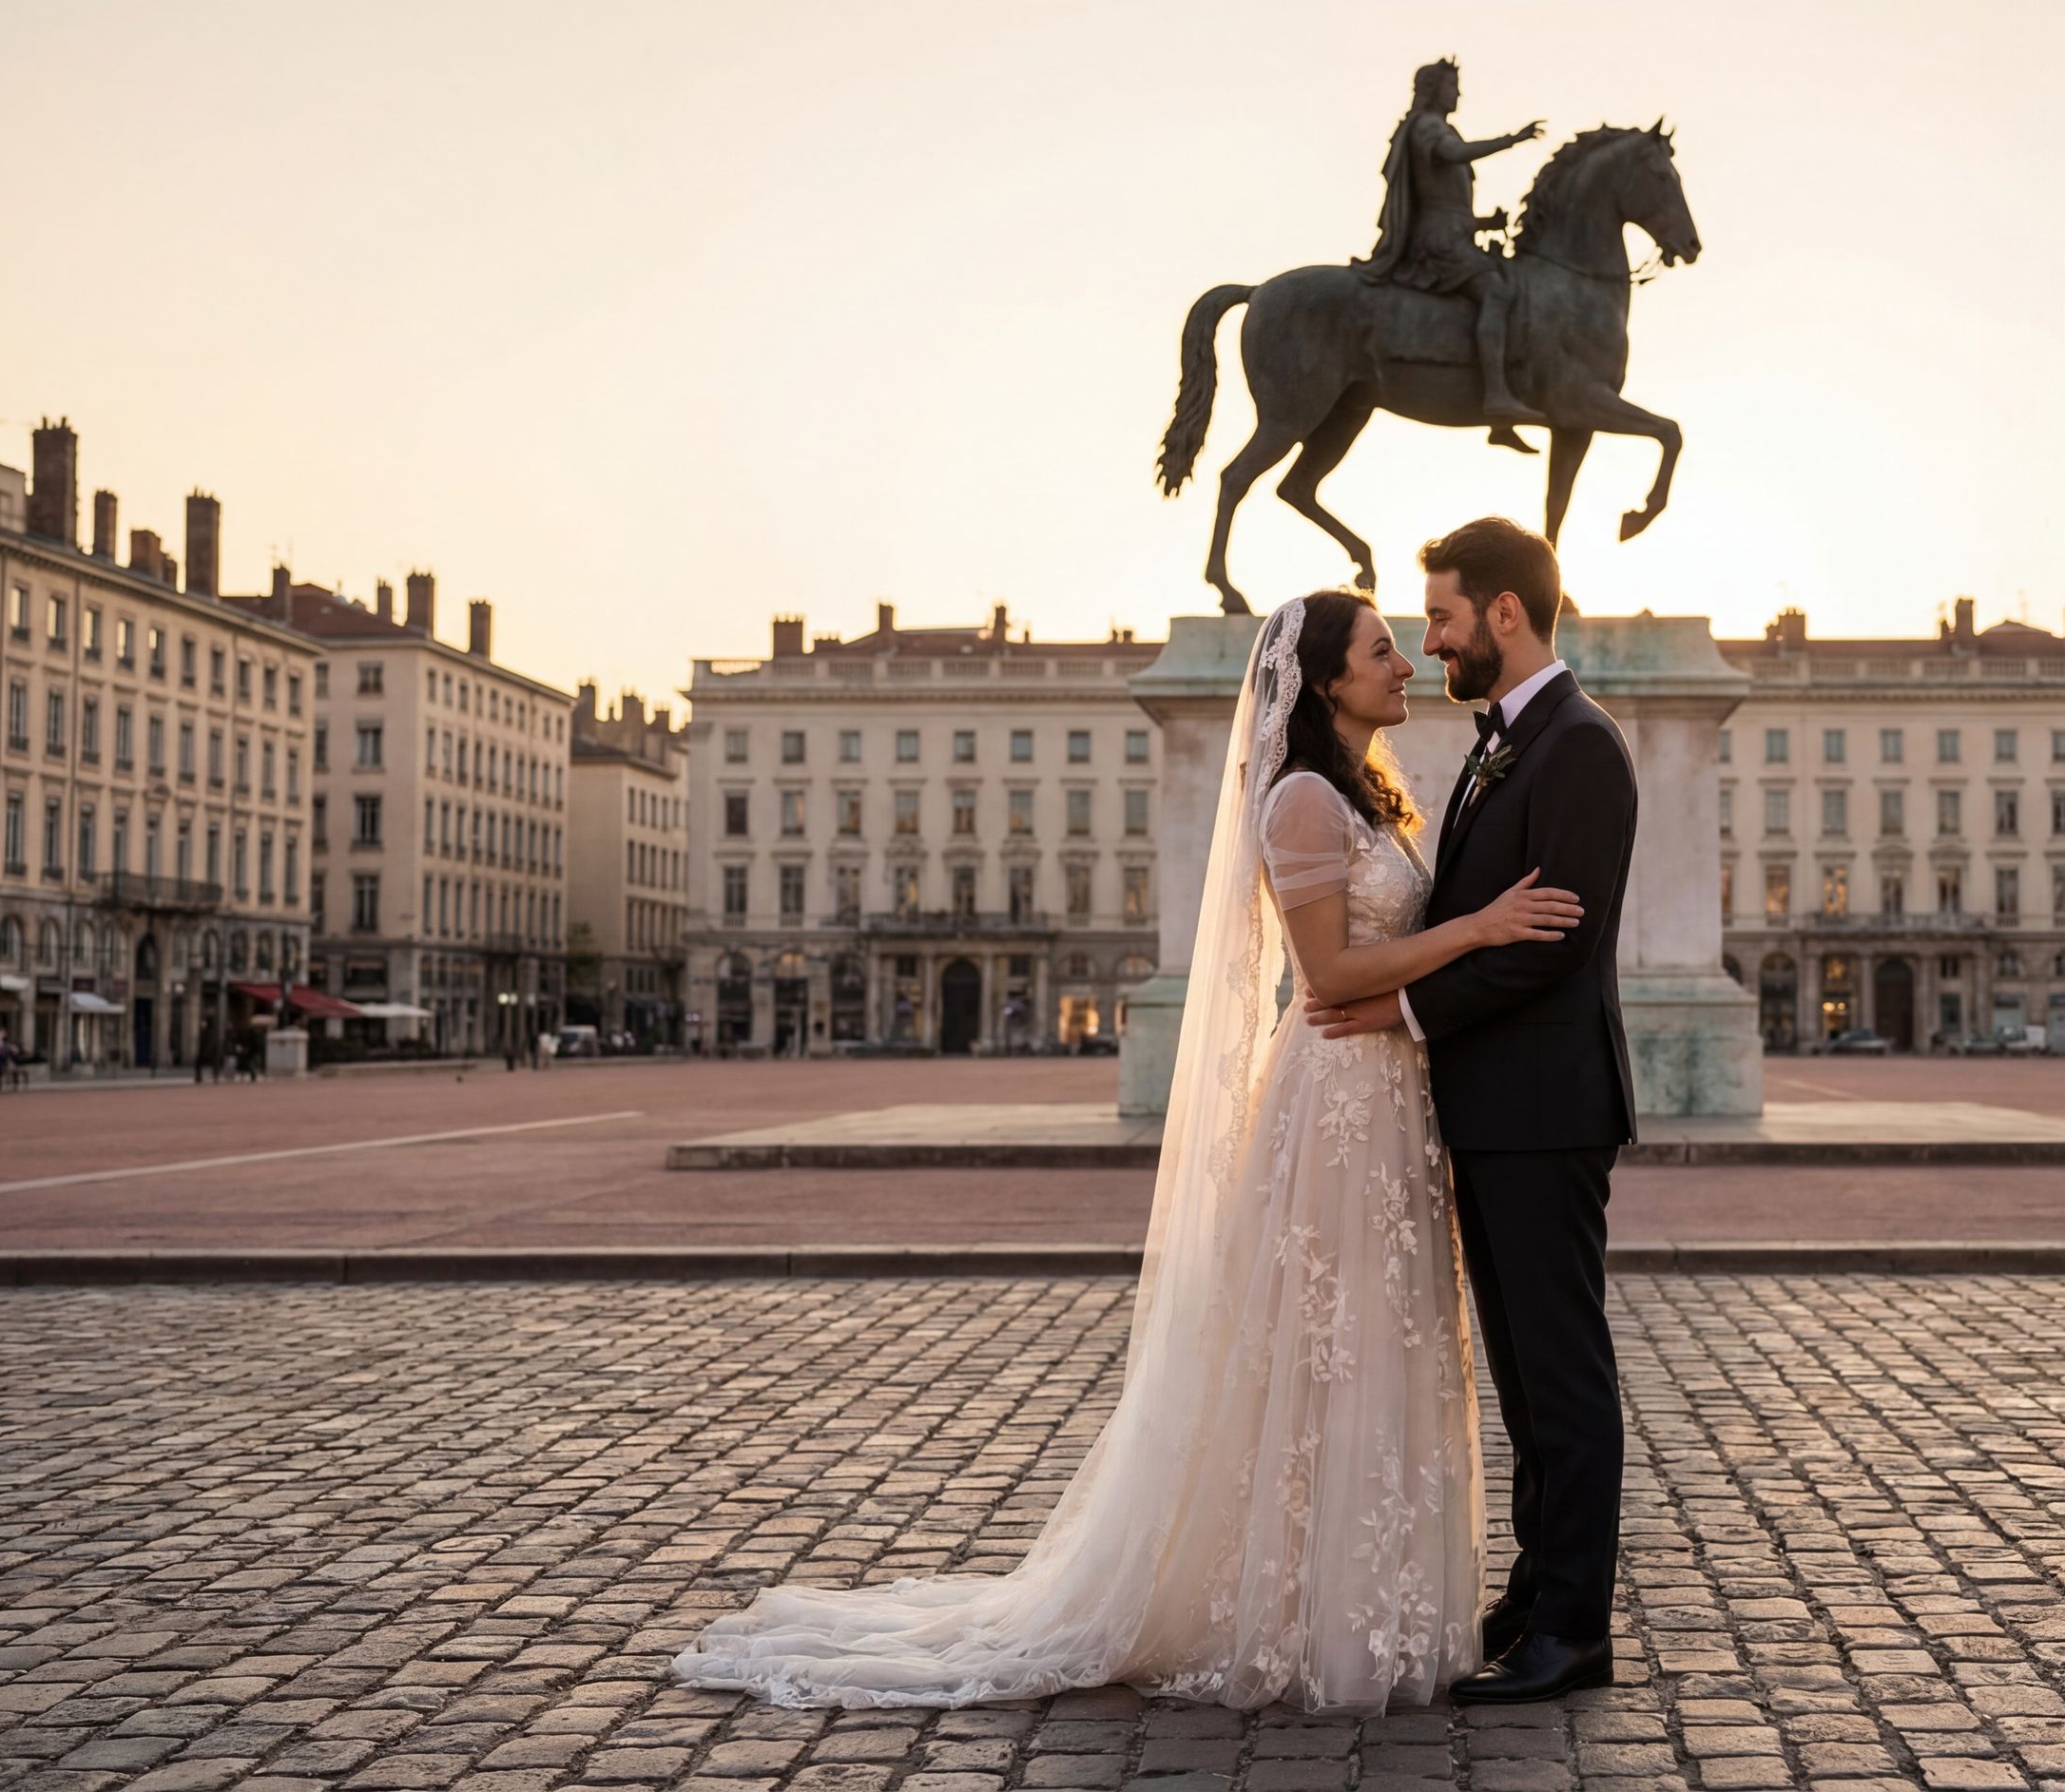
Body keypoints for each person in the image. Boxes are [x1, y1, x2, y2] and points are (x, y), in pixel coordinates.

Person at [673, 581, 1590, 1715]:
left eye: (1407, 646)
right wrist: (1480, 927)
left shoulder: (1370, 791)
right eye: (1384, 650)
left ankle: (1360, 1596)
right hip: (1338, 1101)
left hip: (1388, 1098)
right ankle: (1304, 1608)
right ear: (1324, 678)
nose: (1406, 665)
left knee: (1376, 1339)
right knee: (1326, 1346)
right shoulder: (1301, 796)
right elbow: (1327, 978)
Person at [1307, 516, 1639, 1705]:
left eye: (1441, 616)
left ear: (1506, 612)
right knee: (1523, 1370)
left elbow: (1553, 947)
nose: (1430, 641)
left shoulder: (1580, 748)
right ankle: (1535, 1596)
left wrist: (1401, 1015)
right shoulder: (1512, 742)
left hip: (1547, 1108)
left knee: (1562, 1373)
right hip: (1499, 1109)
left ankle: (1575, 1630)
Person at [1355, 58, 1546, 448]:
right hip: (1438, 243)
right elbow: (1455, 157)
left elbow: (1444, 204)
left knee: (1511, 283)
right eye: (1451, 86)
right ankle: (1496, 396)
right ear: (1432, 90)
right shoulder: (1427, 127)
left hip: (1452, 233)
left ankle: (1501, 406)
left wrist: (1483, 223)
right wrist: (1514, 138)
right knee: (1495, 289)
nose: (1457, 93)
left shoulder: (1439, 128)